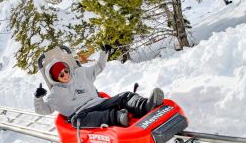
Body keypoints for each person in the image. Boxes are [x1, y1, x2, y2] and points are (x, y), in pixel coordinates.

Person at [33, 47, 164, 128]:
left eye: (66, 71)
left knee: (124, 96)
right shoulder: (55, 93)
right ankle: (118, 117)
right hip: (81, 112)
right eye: (60, 75)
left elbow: (98, 67)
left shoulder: (80, 73)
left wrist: (104, 53)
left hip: (99, 102)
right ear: (55, 78)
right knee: (77, 121)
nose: (65, 75)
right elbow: (43, 110)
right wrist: (38, 98)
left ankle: (146, 105)